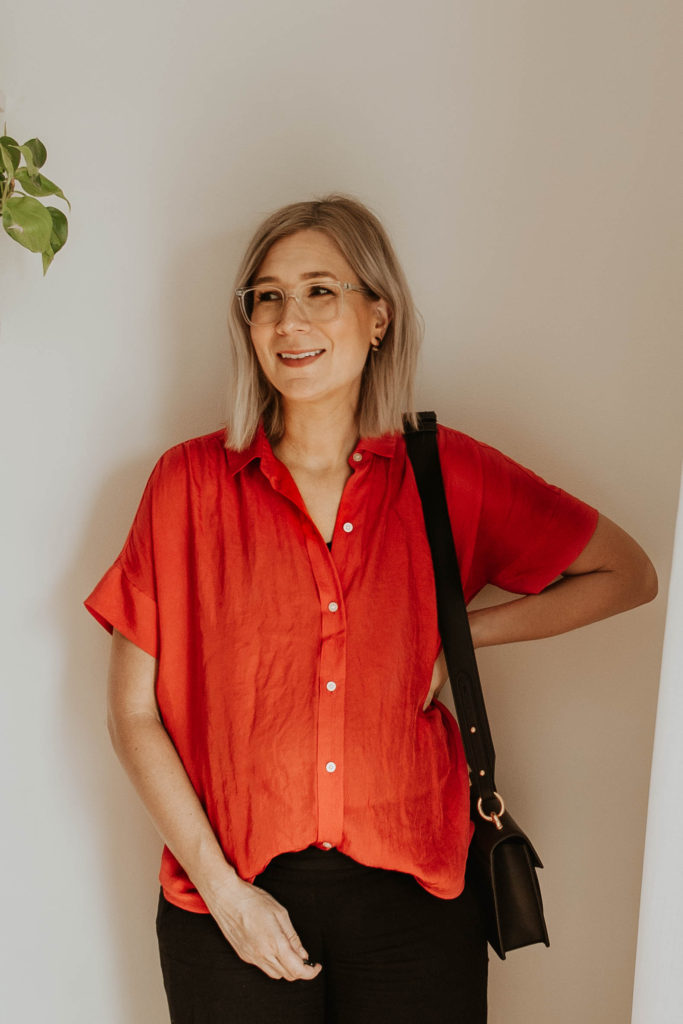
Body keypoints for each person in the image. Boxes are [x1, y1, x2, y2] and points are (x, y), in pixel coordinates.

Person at [85, 194, 657, 1023]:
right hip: (229, 905)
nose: (290, 319)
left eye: (321, 289)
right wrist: (225, 895)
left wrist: (452, 640)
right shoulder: (187, 487)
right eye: (267, 296)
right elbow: (131, 714)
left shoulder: (444, 474)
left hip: (415, 904)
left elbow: (626, 574)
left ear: (377, 315)